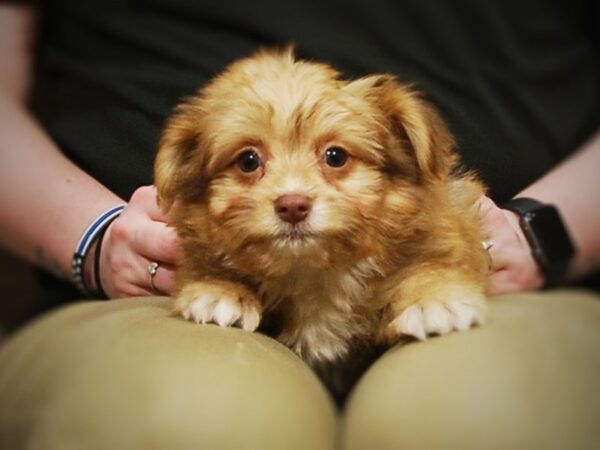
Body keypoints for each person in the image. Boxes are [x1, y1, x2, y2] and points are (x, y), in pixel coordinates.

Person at [0, 1, 599, 449]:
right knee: (192, 421)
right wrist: (91, 237)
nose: (292, 194)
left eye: (334, 159)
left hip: (513, 271)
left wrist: (545, 232)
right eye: (251, 163)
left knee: (479, 417)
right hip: (150, 283)